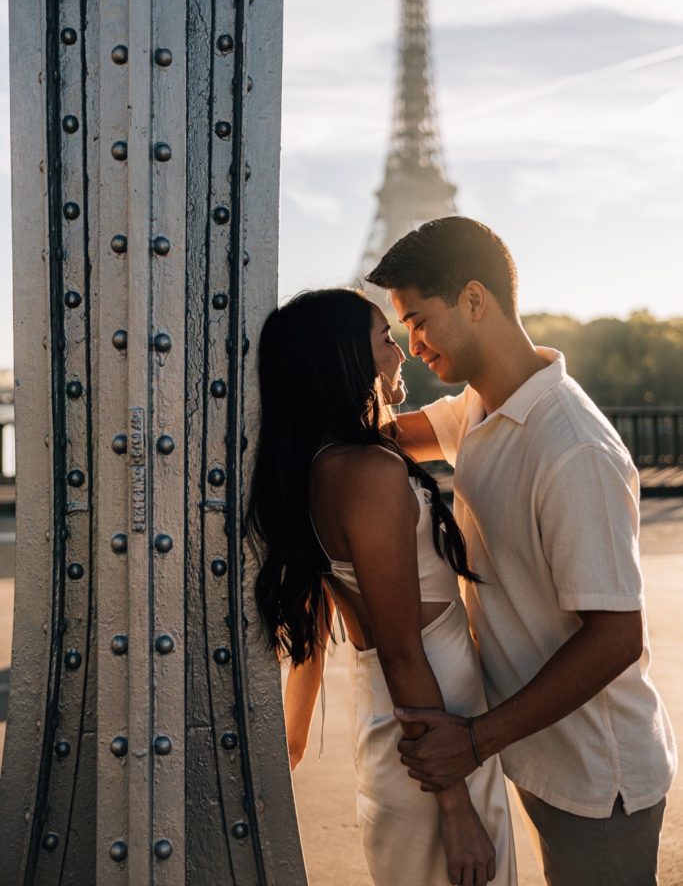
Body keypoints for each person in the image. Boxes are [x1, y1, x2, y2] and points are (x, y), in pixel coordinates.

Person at [366, 215, 677, 886]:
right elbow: (383, 440)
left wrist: (475, 741)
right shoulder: (477, 407)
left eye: (418, 321)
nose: (412, 345)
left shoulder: (573, 448)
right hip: (535, 747)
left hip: (597, 778)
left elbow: (616, 637)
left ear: (474, 301)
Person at [247, 288, 517, 886]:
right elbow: (400, 649)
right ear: (347, 358)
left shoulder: (324, 463)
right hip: (431, 725)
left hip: (408, 716)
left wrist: (289, 742)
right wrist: (455, 807)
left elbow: (316, 609)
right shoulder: (368, 474)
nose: (401, 354)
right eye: (384, 339)